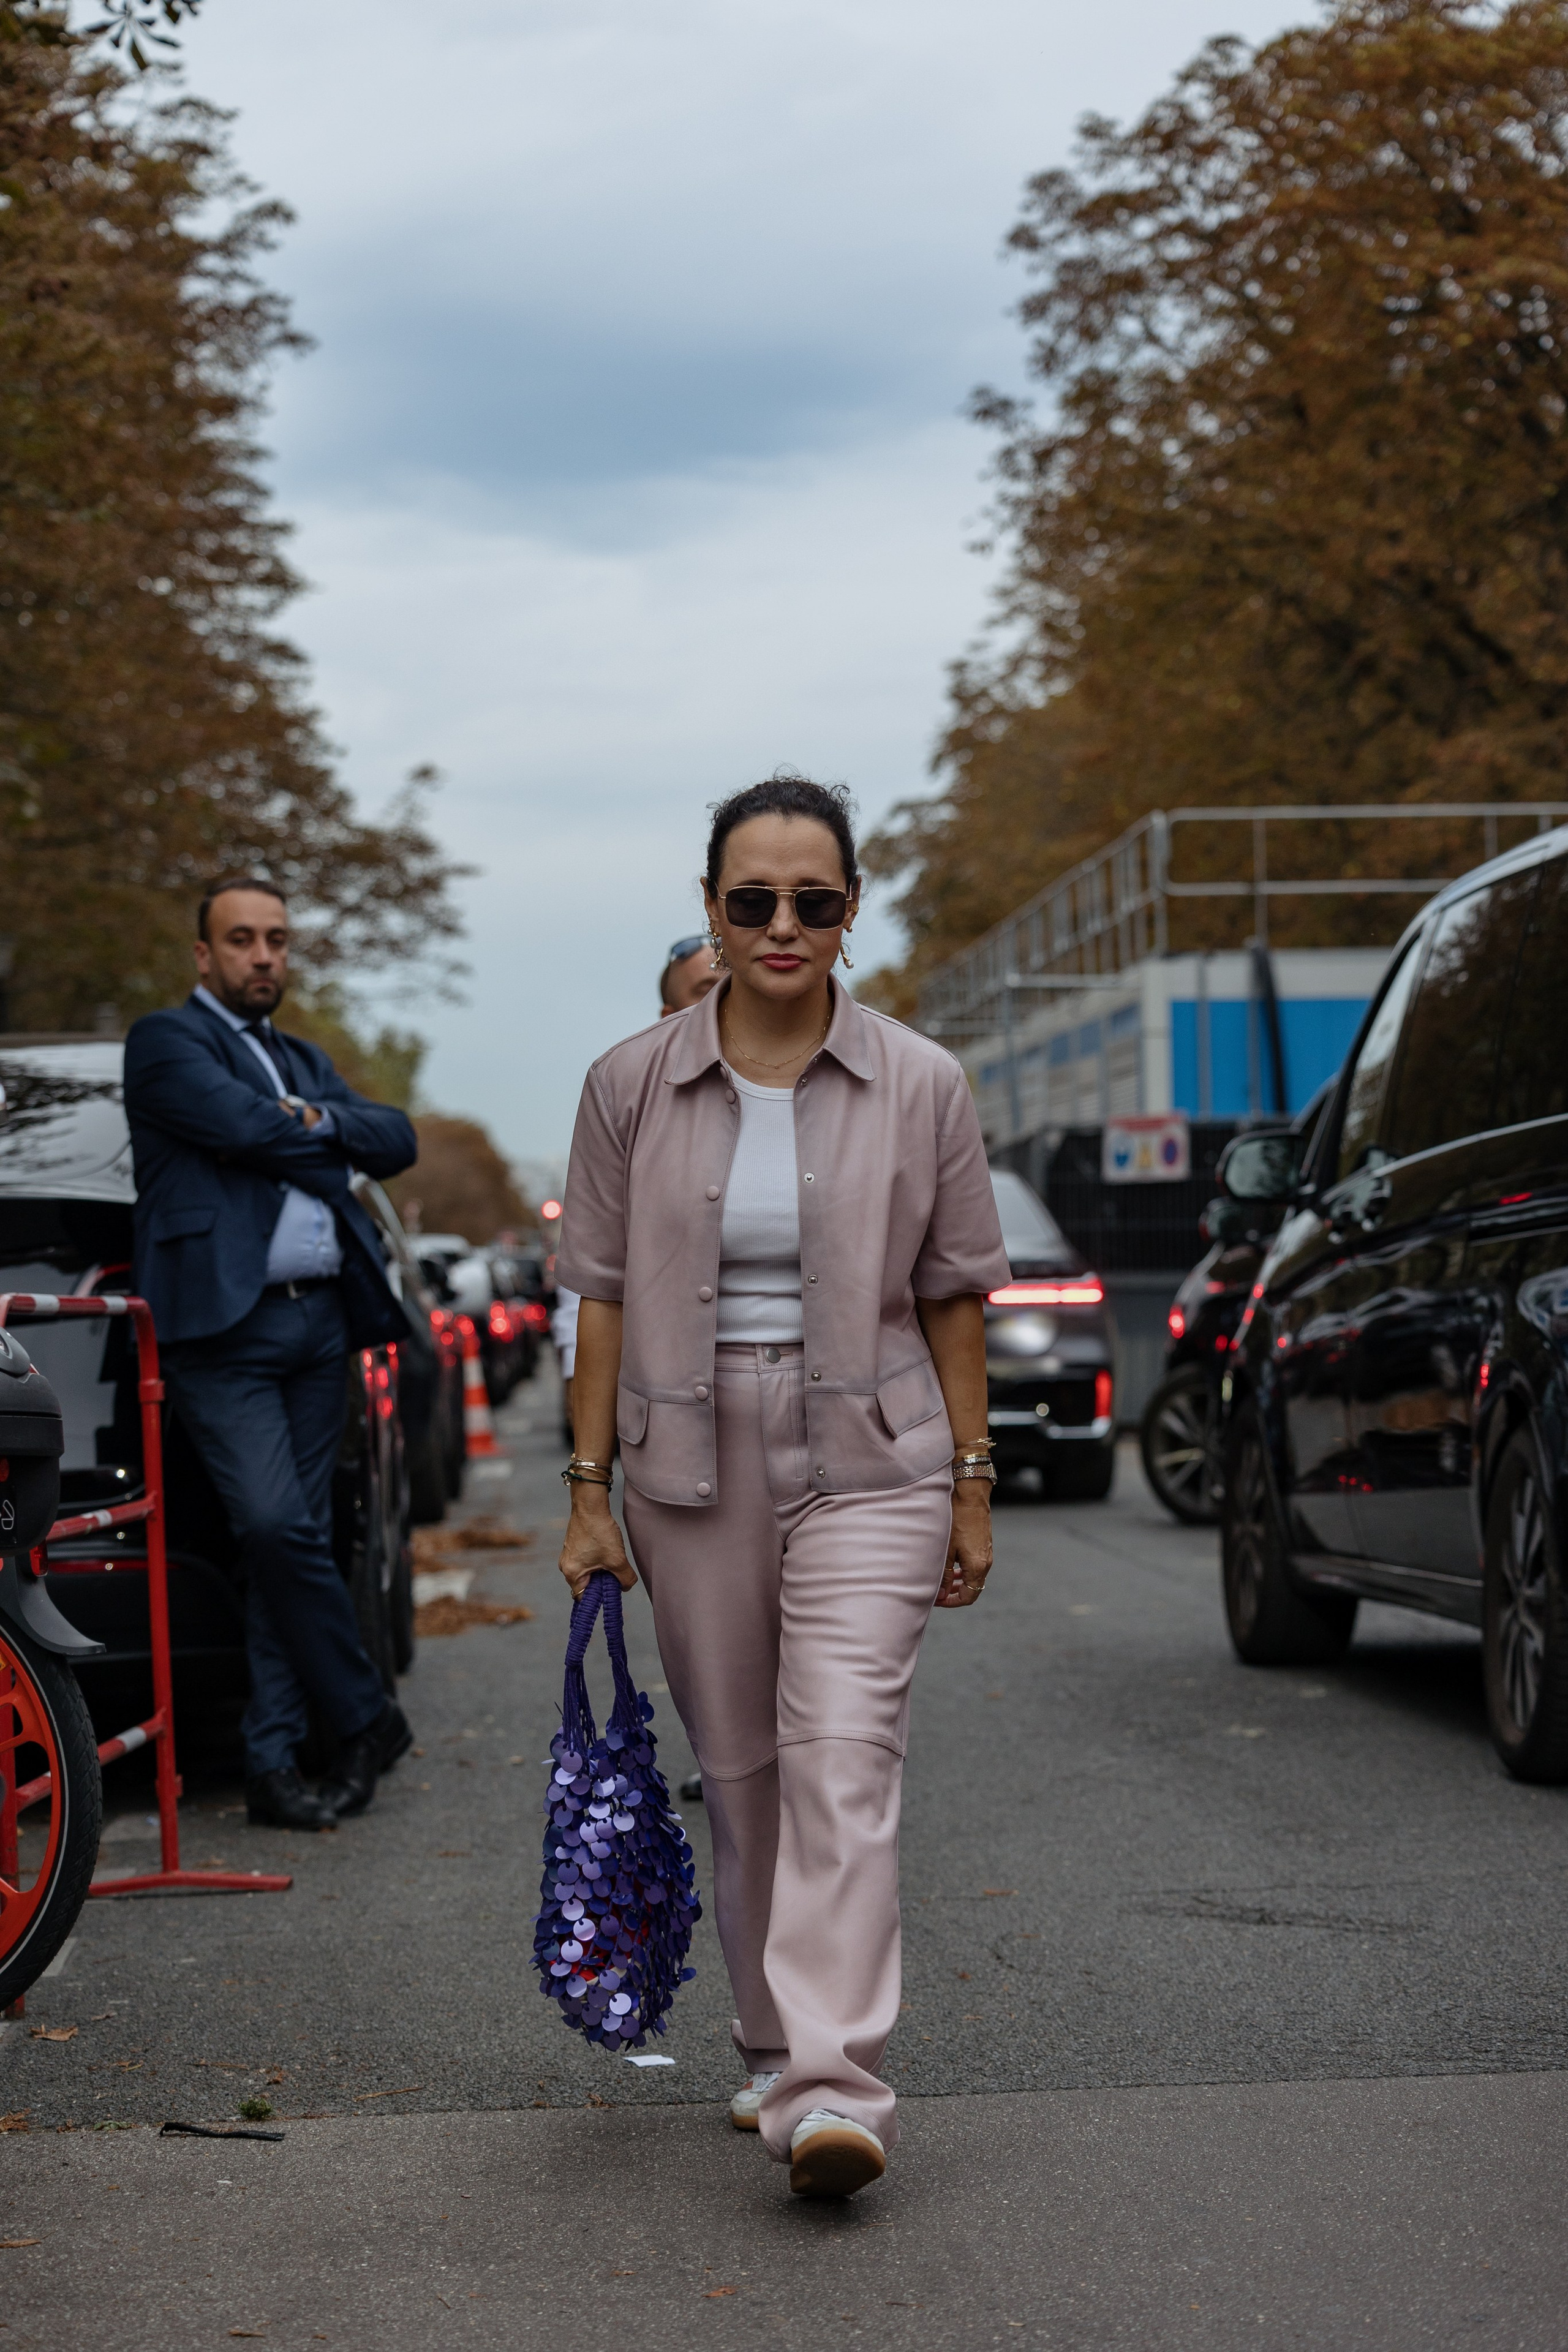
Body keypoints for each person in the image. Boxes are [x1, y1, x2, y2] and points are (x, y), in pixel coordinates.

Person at [554, 774, 1009, 2200]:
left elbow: (950, 1301)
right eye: (751, 898)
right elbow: (603, 1300)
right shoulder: (630, 1080)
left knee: (840, 1754)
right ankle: (767, 2043)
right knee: (742, 1769)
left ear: (850, 911)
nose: (780, 924)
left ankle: (835, 2084)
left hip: (874, 1451)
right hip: (686, 1459)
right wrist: (585, 1492)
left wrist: (973, 1480)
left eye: (813, 899)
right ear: (708, 907)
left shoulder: (921, 1081)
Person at [123, 877, 420, 1833]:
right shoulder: (166, 1043)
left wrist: (312, 1123)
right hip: (225, 1332)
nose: (264, 957)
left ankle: (272, 1762)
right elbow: (245, 1125)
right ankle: (366, 1715)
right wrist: (317, 1130)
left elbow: (398, 1139)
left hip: (319, 1326)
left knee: (294, 1546)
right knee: (273, 1529)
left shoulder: (300, 1057)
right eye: (242, 940)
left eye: (277, 941)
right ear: (204, 957)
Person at [552, 931, 722, 1429]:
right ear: (669, 1016)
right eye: (705, 989)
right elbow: (593, 1274)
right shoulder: (626, 1106)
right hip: (675, 1419)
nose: (726, 1000)